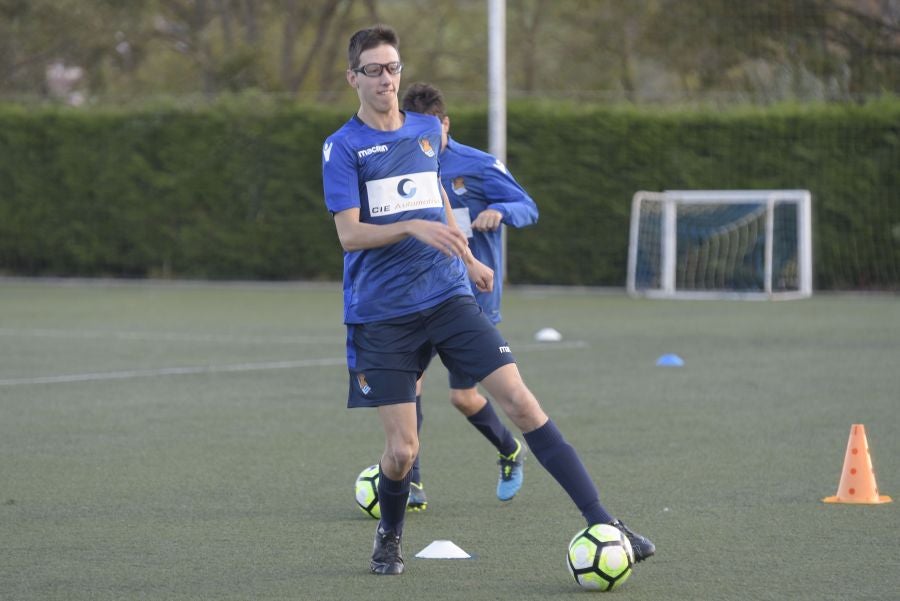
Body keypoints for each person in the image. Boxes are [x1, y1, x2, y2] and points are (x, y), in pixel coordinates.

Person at [322, 24, 655, 576]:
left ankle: (603, 520)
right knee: (403, 452)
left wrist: (470, 259)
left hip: (448, 297)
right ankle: (390, 533)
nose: (386, 79)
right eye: (375, 70)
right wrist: (412, 228)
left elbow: (436, 210)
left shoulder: (427, 129)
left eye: (393, 67)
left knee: (522, 403)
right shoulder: (343, 147)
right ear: (353, 77)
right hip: (382, 315)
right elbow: (350, 234)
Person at [400, 82, 538, 511]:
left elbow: (527, 206)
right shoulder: (401, 162)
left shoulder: (477, 164)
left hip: (469, 298)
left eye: (430, 130)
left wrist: (502, 211)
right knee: (410, 387)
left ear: (446, 124)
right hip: (419, 295)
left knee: (463, 397)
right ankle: (413, 483)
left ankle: (509, 449)